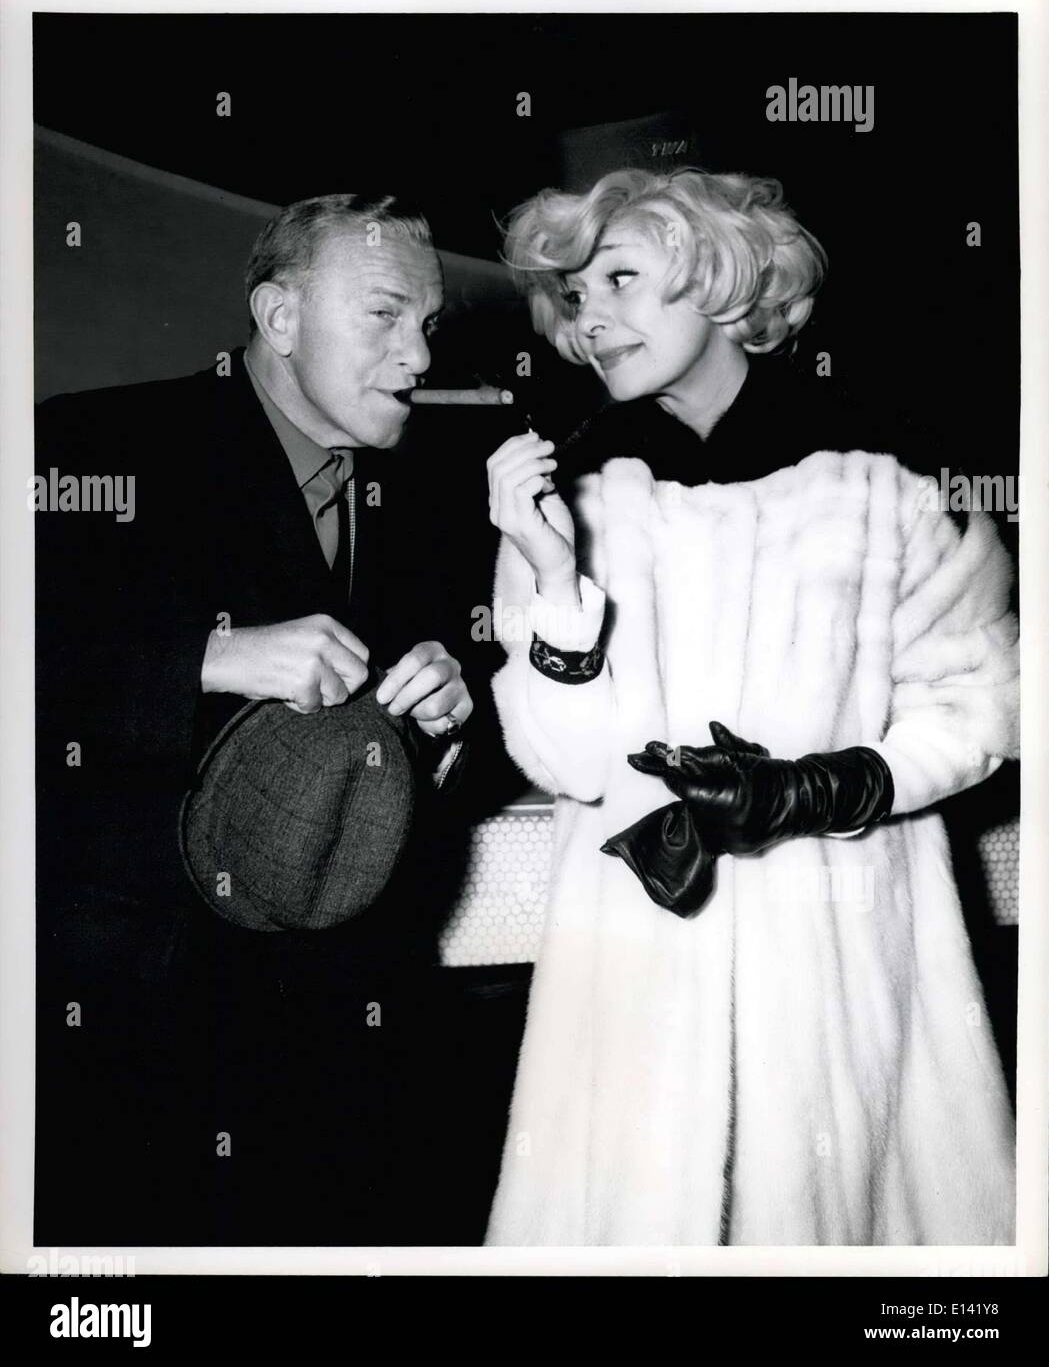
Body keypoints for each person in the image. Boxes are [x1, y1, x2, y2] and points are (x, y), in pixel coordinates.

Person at [483, 167, 1018, 1245]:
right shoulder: (572, 500)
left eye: (620, 280)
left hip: (844, 970)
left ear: (720, 285)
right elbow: (567, 757)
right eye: (574, 299)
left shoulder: (884, 482)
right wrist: (548, 575)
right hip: (631, 992)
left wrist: (823, 788)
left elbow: (983, 699)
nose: (589, 320)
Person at [34, 193, 477, 1245]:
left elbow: (455, 730)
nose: (415, 354)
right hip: (131, 1031)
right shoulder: (92, 443)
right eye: (384, 315)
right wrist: (210, 657)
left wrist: (453, 722)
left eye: (427, 325)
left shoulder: (429, 498)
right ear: (278, 317)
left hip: (337, 1040)